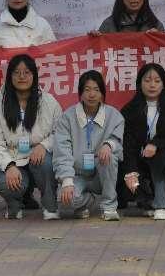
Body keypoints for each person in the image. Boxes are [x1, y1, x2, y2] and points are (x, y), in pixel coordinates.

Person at [0, 54, 63, 220]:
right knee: (9, 185)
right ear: (9, 76)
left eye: (27, 72)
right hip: (12, 157)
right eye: (17, 72)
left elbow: (60, 132)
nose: (22, 77)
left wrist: (44, 145)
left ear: (34, 75)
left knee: (46, 163)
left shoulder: (48, 102)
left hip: (38, 155)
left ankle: (50, 205)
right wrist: (8, 166)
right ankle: (14, 205)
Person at [54, 70, 124, 220]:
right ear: (80, 93)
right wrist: (67, 180)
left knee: (110, 157)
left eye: (96, 90)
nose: (92, 95)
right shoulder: (67, 117)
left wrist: (109, 145)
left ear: (102, 93)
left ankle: (109, 206)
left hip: (100, 174)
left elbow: (119, 142)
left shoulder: (114, 116)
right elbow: (62, 151)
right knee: (64, 198)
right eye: (87, 90)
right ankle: (87, 201)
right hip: (77, 174)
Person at [119, 63, 165, 220]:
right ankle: (146, 201)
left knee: (159, 158)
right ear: (139, 84)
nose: (152, 85)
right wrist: (131, 171)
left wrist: (156, 144)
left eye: (157, 81)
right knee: (131, 181)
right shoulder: (129, 110)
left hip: (164, 162)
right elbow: (127, 144)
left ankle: (161, 204)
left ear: (163, 84)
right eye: (147, 80)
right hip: (138, 162)